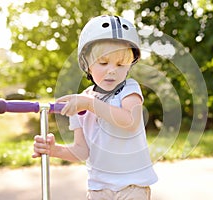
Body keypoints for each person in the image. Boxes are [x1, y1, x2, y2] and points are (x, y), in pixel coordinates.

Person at [32, 15, 158, 200]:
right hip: (99, 188)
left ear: (129, 66)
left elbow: (130, 121)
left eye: (121, 64)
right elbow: (82, 151)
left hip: (132, 186)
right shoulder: (81, 101)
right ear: (87, 64)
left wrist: (89, 104)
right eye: (103, 62)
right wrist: (55, 150)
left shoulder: (128, 89)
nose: (112, 70)